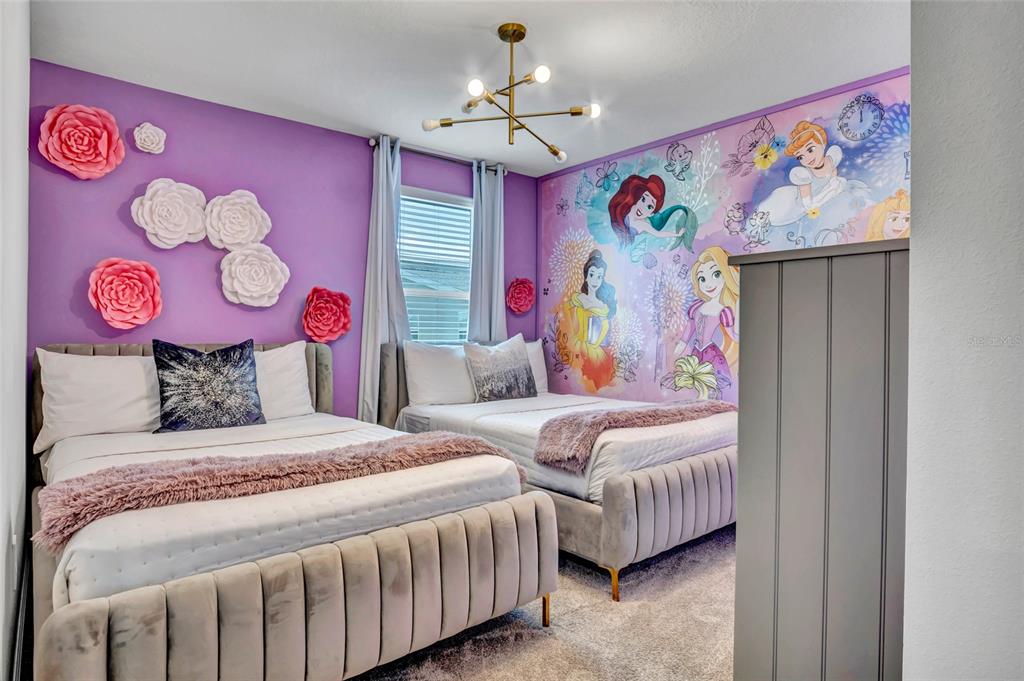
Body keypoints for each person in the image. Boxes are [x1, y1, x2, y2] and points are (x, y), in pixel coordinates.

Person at [756, 121, 870, 231]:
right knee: (777, 213)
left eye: (810, 149)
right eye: (800, 157)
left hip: (824, 191)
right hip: (800, 201)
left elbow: (833, 173)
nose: (807, 158)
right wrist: (818, 201)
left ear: (822, 144)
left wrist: (833, 184)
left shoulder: (831, 159)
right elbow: (807, 201)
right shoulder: (803, 175)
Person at [607, 174, 699, 256]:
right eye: (643, 199)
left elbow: (659, 234)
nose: (642, 208)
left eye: (649, 206)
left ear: (651, 213)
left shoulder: (643, 225)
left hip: (628, 245)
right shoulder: (631, 207)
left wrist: (677, 234)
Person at [566, 249, 617, 392]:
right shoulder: (578, 298)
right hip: (577, 342)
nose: (595, 280)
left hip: (594, 347)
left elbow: (605, 326)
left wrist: (595, 344)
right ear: (586, 276)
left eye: (599, 276)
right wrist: (573, 328)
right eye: (592, 275)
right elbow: (566, 312)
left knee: (594, 375)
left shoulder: (602, 306)